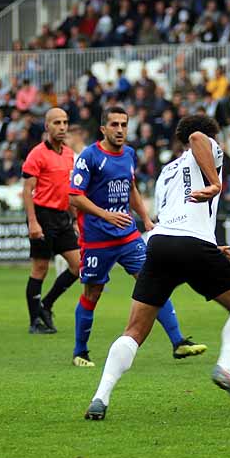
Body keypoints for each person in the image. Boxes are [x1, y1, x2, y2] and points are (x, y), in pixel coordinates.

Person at [84, 114, 230, 421]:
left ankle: (101, 396)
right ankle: (226, 367)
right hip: (192, 244)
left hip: (162, 243)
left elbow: (173, 217)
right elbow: (197, 140)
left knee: (134, 331)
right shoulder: (206, 144)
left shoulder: (166, 171)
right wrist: (216, 183)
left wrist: (211, 246)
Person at [68, 105, 207, 368]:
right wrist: (106, 215)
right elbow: (74, 197)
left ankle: (178, 342)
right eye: (114, 125)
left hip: (128, 235)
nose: (120, 130)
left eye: (123, 124)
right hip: (97, 239)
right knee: (93, 292)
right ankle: (80, 351)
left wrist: (144, 218)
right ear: (103, 129)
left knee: (154, 282)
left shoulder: (129, 154)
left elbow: (131, 187)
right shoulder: (89, 156)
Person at [21, 107, 81, 334]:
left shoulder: (68, 154)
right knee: (40, 268)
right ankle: (34, 321)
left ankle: (46, 305)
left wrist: (74, 219)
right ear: (47, 126)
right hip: (42, 214)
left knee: (78, 266)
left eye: (65, 122)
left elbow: (69, 190)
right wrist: (33, 222)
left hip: (62, 217)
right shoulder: (37, 154)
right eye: (57, 123)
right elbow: (27, 191)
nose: (62, 127)